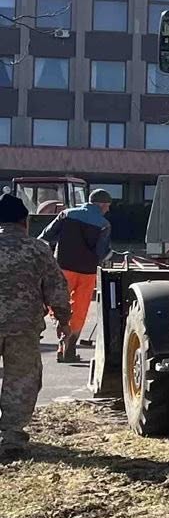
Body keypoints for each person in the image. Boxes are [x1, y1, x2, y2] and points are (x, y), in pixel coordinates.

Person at [0, 192, 74, 462]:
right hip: (23, 326)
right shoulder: (37, 249)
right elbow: (56, 288)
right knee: (21, 380)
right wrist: (63, 321)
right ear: (25, 222)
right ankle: (11, 438)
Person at [40, 189, 113, 363]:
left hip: (63, 268)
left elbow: (45, 236)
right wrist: (110, 255)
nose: (108, 210)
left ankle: (61, 331)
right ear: (101, 205)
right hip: (87, 273)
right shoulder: (104, 224)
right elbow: (101, 252)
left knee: (58, 303)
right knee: (80, 309)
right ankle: (70, 349)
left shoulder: (66, 215)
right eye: (107, 206)